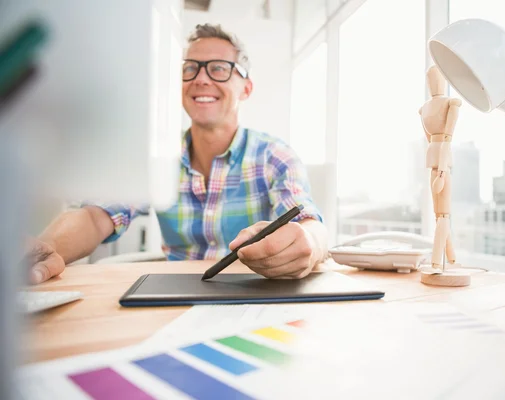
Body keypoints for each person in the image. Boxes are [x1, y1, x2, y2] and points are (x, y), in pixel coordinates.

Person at [25, 23, 328, 284]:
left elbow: (309, 224)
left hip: (255, 297)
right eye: (190, 68)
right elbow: (95, 216)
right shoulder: (155, 158)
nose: (201, 79)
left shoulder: (275, 156)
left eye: (220, 69)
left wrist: (310, 244)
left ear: (246, 89)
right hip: (175, 299)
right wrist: (45, 247)